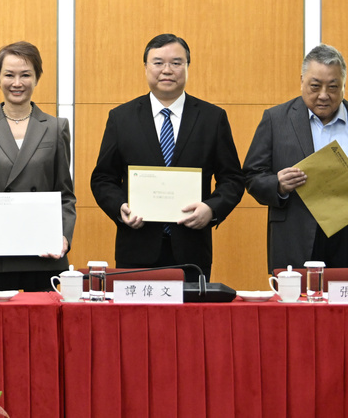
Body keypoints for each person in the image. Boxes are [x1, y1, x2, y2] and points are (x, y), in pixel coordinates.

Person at [243, 44, 348, 277]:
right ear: (302, 81)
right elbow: (252, 175)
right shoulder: (276, 120)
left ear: (344, 85)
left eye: (333, 87)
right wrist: (278, 185)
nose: (323, 95)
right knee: (302, 300)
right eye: (315, 86)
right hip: (299, 236)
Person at [90, 34, 244, 280]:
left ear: (187, 66)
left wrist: (211, 209)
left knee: (190, 307)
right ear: (145, 67)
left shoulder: (212, 118)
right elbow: (103, 179)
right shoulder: (121, 118)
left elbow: (232, 179)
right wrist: (120, 208)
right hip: (136, 248)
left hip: (192, 251)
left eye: (176, 63)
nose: (167, 70)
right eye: (158, 62)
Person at [0, 41, 76, 292]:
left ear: (37, 78)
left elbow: (65, 195)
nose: (17, 83)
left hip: (44, 253)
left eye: (25, 75)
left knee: (46, 318)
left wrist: (64, 236)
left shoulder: (56, 128)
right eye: (9, 75)